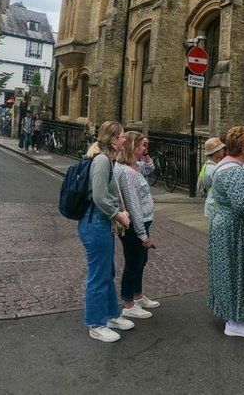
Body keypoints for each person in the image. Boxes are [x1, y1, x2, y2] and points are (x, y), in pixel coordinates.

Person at [207, 126, 244, 339]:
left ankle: (240, 312)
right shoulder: (233, 170)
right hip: (232, 227)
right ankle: (234, 321)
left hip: (227, 224)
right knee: (235, 270)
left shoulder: (226, 165)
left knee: (235, 269)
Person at [80, 121, 133, 343]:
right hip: (96, 223)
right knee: (98, 275)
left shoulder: (106, 159)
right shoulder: (101, 161)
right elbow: (100, 197)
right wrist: (118, 214)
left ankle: (111, 315)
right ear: (112, 139)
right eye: (121, 136)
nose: (124, 139)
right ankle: (96, 324)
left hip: (101, 224)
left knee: (107, 271)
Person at [114, 131, 160, 320]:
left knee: (141, 260)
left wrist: (147, 152)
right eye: (142, 146)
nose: (145, 149)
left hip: (141, 222)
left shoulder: (135, 166)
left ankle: (138, 295)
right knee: (133, 262)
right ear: (133, 148)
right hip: (134, 225)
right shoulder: (128, 173)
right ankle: (128, 303)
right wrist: (142, 234)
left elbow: (151, 168)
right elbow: (133, 205)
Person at [198, 137, 226, 202]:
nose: (223, 150)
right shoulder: (214, 169)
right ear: (215, 152)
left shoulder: (206, 165)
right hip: (214, 203)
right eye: (221, 149)